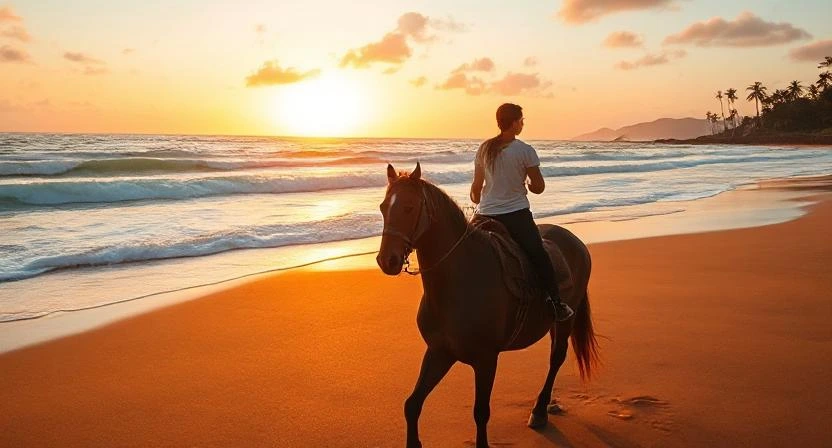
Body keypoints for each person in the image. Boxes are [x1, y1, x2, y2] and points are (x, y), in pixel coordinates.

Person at [470, 103, 574, 322]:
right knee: (538, 253)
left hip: (484, 214)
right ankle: (556, 302)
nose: (523, 124)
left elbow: (475, 190)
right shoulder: (525, 151)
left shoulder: (484, 148)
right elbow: (539, 187)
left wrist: (480, 203)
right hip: (515, 214)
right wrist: (526, 182)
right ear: (515, 122)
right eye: (521, 120)